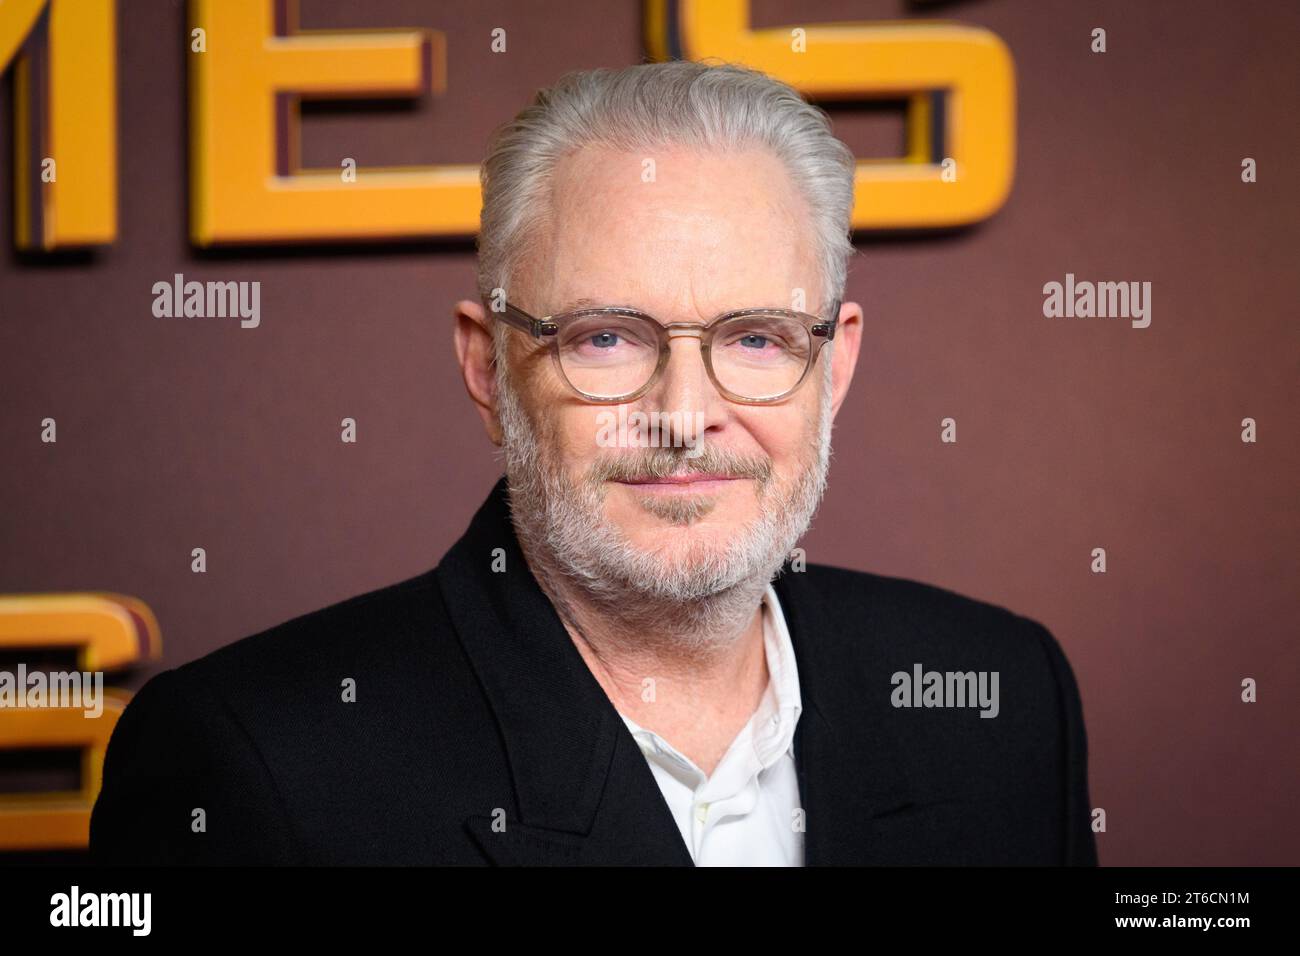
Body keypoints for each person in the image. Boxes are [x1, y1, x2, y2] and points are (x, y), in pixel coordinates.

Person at [90, 60, 1097, 866]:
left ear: (833, 365)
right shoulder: (250, 762)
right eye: (606, 338)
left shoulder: (1004, 695)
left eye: (755, 338)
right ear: (487, 367)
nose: (685, 416)